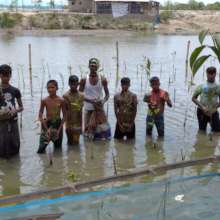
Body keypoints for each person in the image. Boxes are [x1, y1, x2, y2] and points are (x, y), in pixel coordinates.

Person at [79, 58, 111, 140]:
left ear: (98, 67)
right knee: (87, 131)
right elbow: (79, 95)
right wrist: (90, 101)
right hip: (88, 109)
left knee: (101, 132)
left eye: (95, 65)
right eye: (91, 65)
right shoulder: (84, 79)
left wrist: (102, 102)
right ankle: (88, 150)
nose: (93, 66)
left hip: (99, 109)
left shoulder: (102, 79)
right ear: (89, 66)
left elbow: (107, 95)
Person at [0, 64, 23, 158]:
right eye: (3, 75)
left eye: (7, 75)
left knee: (15, 145)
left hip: (13, 120)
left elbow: (21, 107)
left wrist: (15, 111)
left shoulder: (15, 90)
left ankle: (14, 166)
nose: (5, 78)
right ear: (0, 75)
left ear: (10, 75)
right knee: (1, 146)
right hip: (1, 122)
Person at [37, 80, 66, 154]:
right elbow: (40, 114)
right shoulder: (44, 100)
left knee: (58, 149)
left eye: (52, 87)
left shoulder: (61, 100)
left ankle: (57, 164)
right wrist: (47, 129)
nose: (50, 89)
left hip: (57, 124)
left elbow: (64, 116)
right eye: (48, 88)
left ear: (57, 88)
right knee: (41, 149)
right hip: (47, 124)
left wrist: (59, 130)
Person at [192, 66, 220, 132]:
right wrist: (202, 107)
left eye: (212, 73)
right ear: (206, 74)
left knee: (217, 131)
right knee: (202, 131)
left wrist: (216, 106)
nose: (211, 75)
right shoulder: (202, 85)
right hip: (202, 112)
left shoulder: (218, 87)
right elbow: (193, 98)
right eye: (209, 73)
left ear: (215, 74)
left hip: (213, 112)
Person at [63, 75, 84, 145]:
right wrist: (67, 125)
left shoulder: (81, 95)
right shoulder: (65, 96)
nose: (73, 86)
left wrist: (81, 126)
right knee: (69, 142)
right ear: (69, 84)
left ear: (78, 84)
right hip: (69, 123)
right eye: (71, 84)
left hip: (77, 123)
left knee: (76, 142)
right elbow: (65, 112)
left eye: (75, 84)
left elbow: (80, 112)